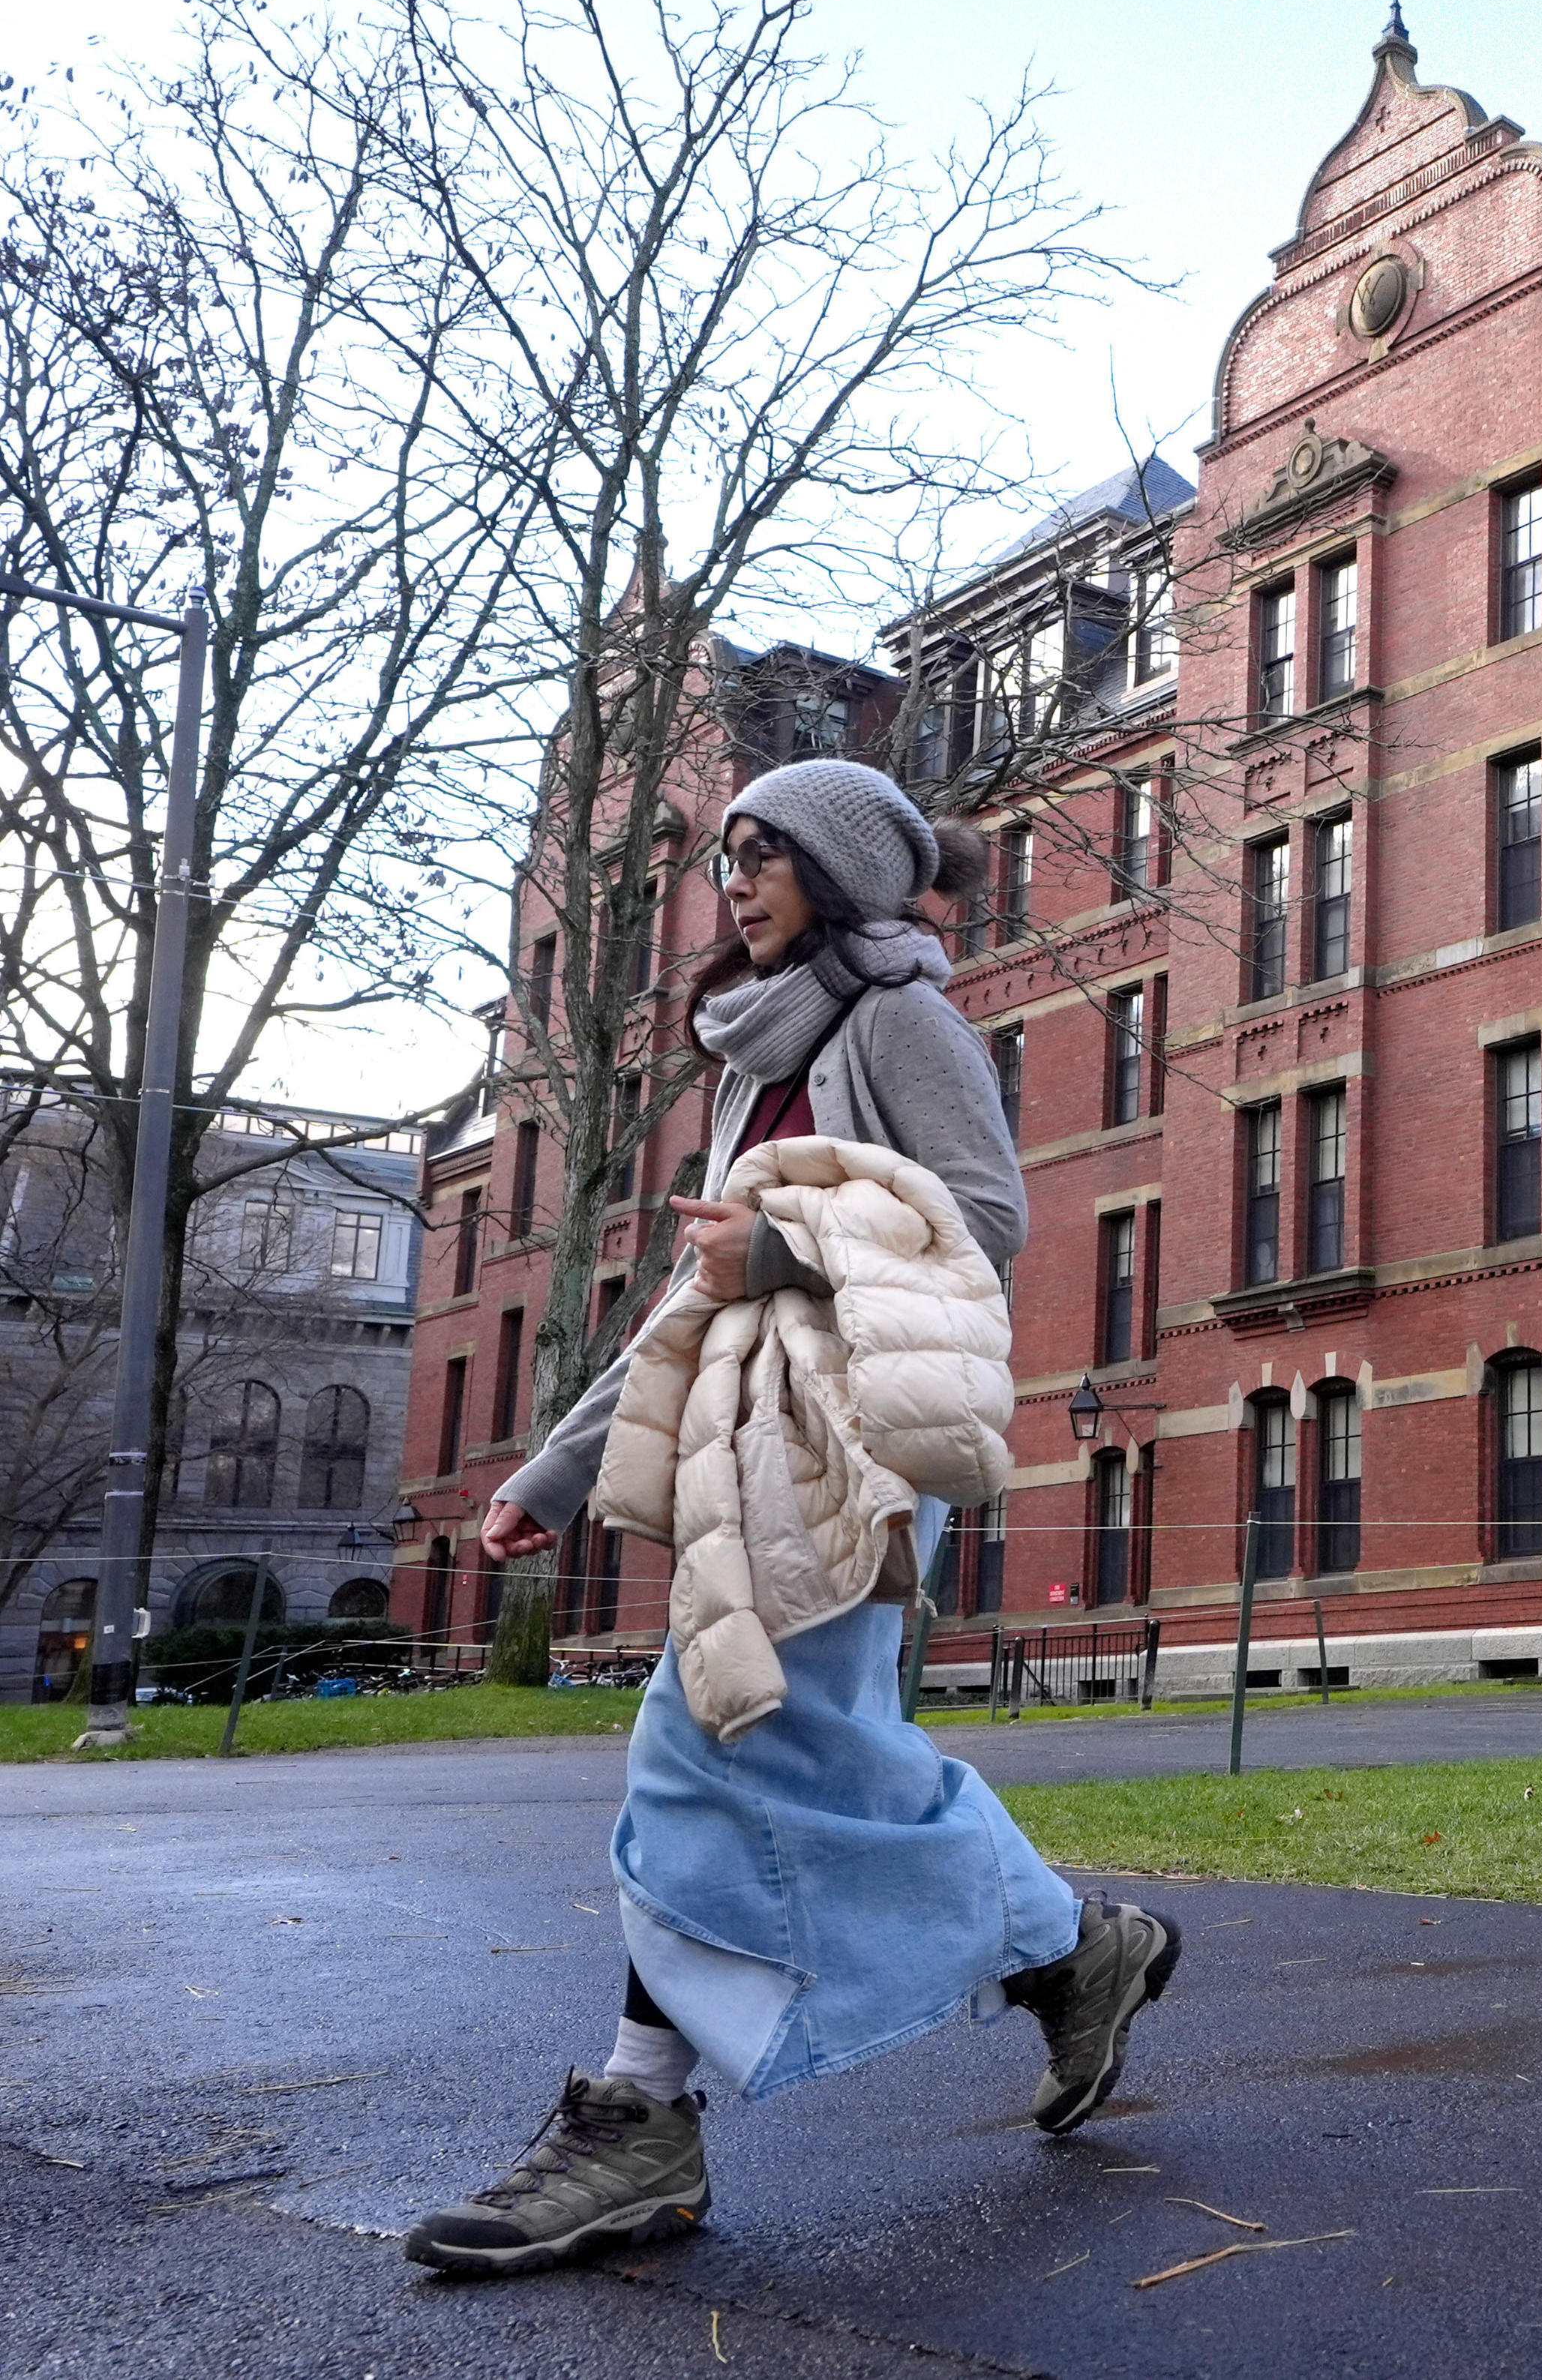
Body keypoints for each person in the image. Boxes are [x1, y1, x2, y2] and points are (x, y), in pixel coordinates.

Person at [406, 762, 1180, 2280]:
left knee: (702, 1732)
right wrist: (548, 1477)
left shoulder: (899, 1016)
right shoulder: (752, 1054)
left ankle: (639, 2115)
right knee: (819, 1758)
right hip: (745, 1442)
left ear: (840, 875)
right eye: (732, 856)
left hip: (858, 1447)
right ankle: (1075, 1947)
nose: (737, 879)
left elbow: (991, 1213)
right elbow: (702, 1290)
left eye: (769, 855)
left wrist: (788, 1245)